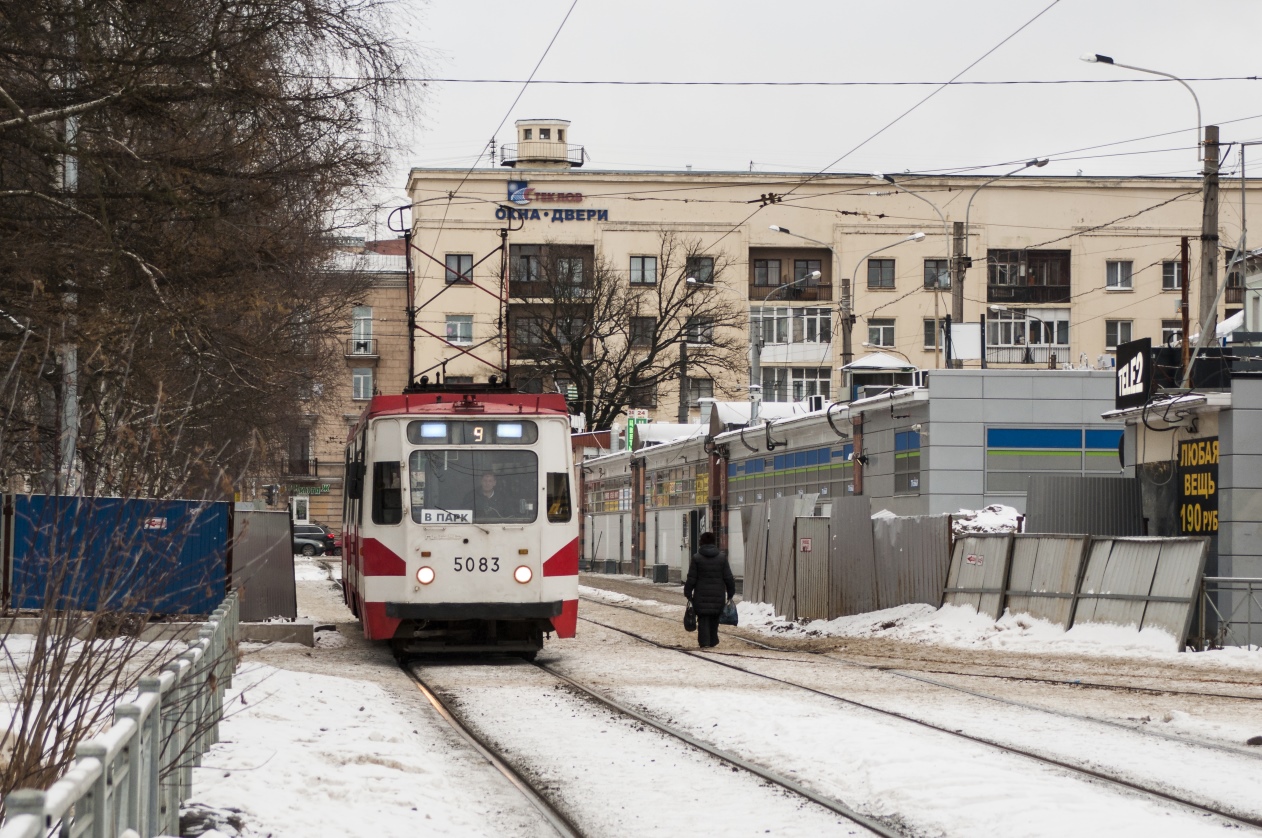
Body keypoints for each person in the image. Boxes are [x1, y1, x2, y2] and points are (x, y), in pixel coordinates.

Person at [683, 531, 735, 649]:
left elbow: (692, 578)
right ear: (714, 542)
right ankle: (713, 640)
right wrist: (731, 592)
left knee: (703, 619)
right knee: (714, 618)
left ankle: (704, 642)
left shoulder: (696, 558)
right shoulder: (722, 558)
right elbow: (728, 577)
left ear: (701, 542)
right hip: (718, 595)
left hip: (701, 596)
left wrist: (688, 592)